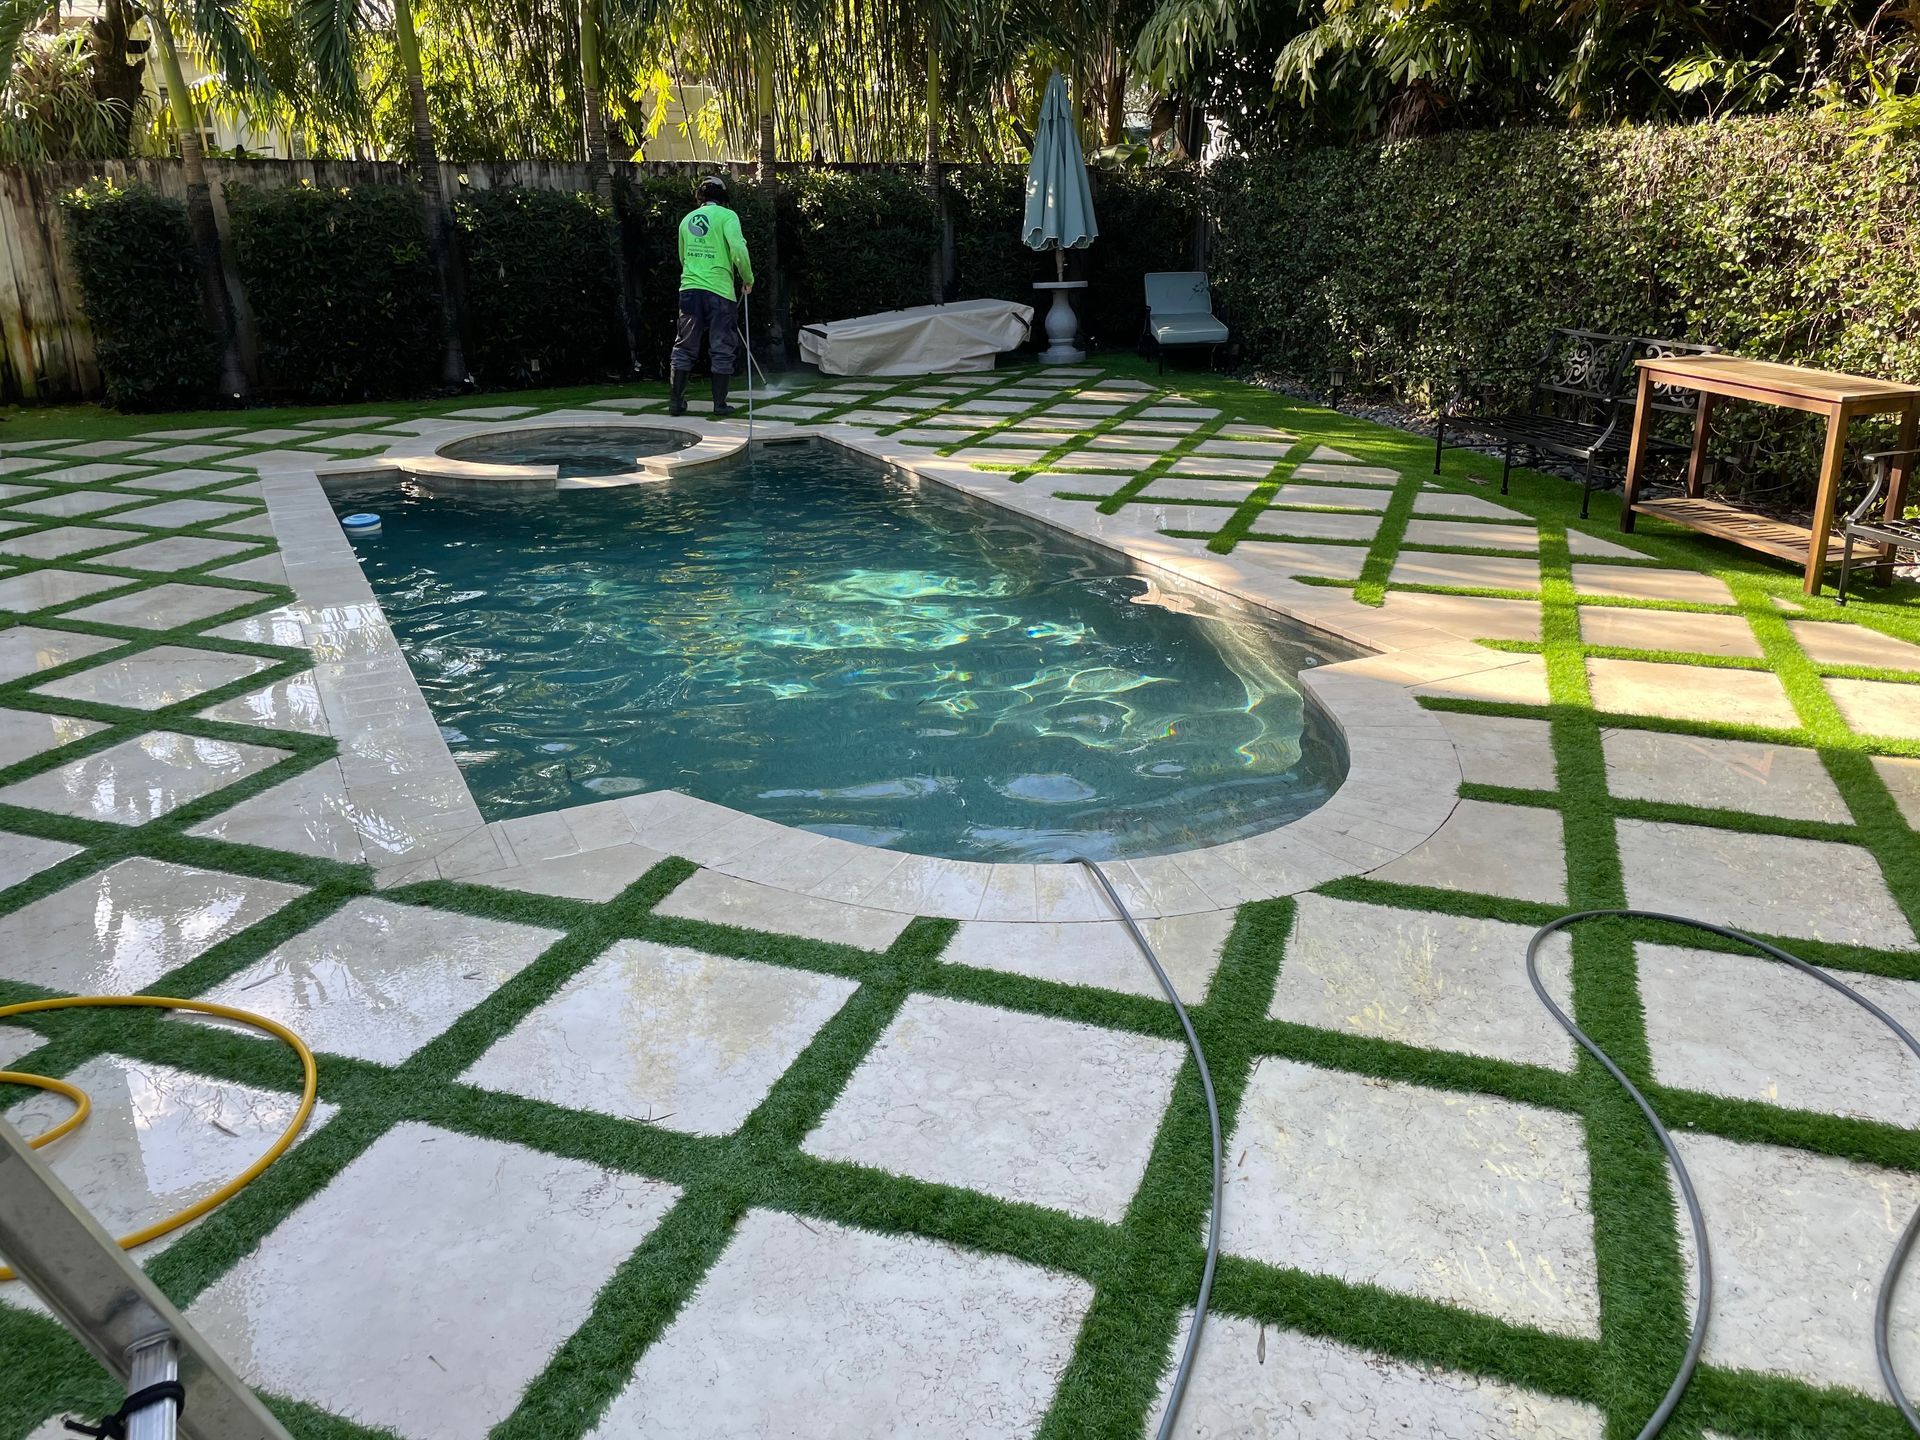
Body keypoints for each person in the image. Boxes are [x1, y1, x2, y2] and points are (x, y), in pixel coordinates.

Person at [670, 175, 754, 418]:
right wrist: (747, 278)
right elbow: (738, 249)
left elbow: (682, 257)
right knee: (722, 346)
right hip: (719, 291)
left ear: (700, 196)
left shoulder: (686, 220)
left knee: (684, 346)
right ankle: (719, 405)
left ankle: (676, 403)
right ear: (724, 197)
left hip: (689, 290)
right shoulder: (728, 217)